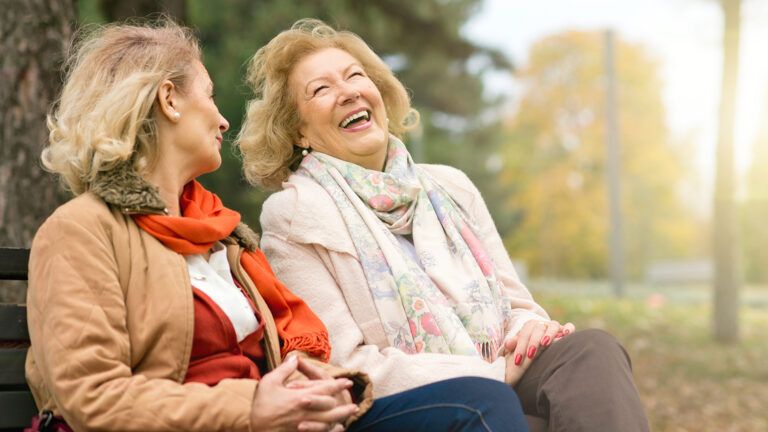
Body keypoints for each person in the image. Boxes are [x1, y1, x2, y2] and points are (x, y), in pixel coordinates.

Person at [26, 18, 529, 432]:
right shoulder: (81, 232)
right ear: (170, 100)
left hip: (285, 422)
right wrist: (251, 406)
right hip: (236, 423)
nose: (224, 120)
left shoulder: (221, 236)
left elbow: (295, 352)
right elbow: (92, 397)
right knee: (481, 405)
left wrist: (317, 395)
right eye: (209, 94)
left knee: (491, 396)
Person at [237, 18, 650, 432]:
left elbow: (517, 305)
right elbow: (344, 363)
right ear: (298, 132)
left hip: (504, 369)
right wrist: (489, 375)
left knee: (591, 350)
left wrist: (530, 329)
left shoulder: (452, 186)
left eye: (355, 76)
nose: (348, 92)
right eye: (321, 89)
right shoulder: (294, 214)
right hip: (415, 399)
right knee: (498, 407)